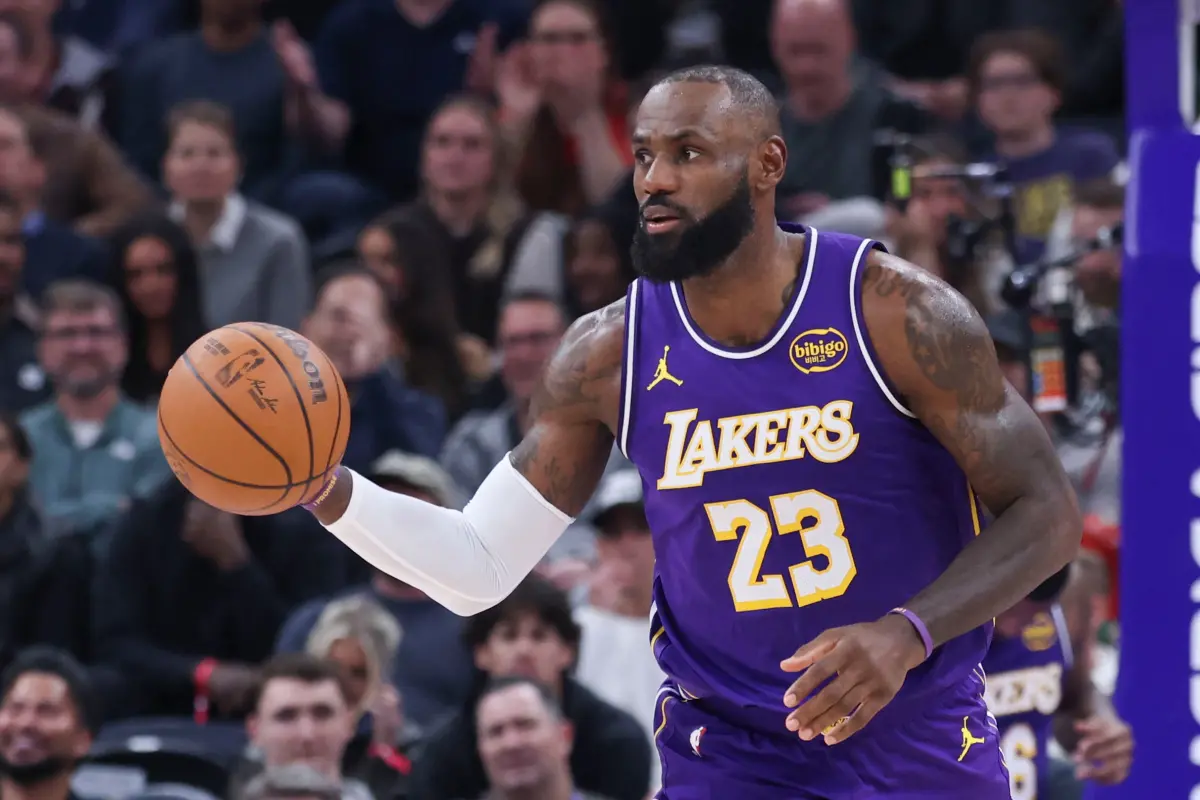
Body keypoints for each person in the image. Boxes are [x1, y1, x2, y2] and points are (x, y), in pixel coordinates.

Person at [299, 65, 1080, 797]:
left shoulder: (894, 311)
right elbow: (480, 563)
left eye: (689, 153)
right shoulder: (607, 354)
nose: (655, 179)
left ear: (768, 163)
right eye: (644, 155)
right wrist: (324, 489)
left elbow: (1046, 513)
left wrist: (908, 633)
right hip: (730, 751)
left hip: (913, 734)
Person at [984, 562, 1133, 799]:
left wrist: (1102, 730)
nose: (1016, 624)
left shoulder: (1069, 593)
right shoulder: (933, 604)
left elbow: (1073, 700)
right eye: (1008, 602)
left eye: (1036, 608)